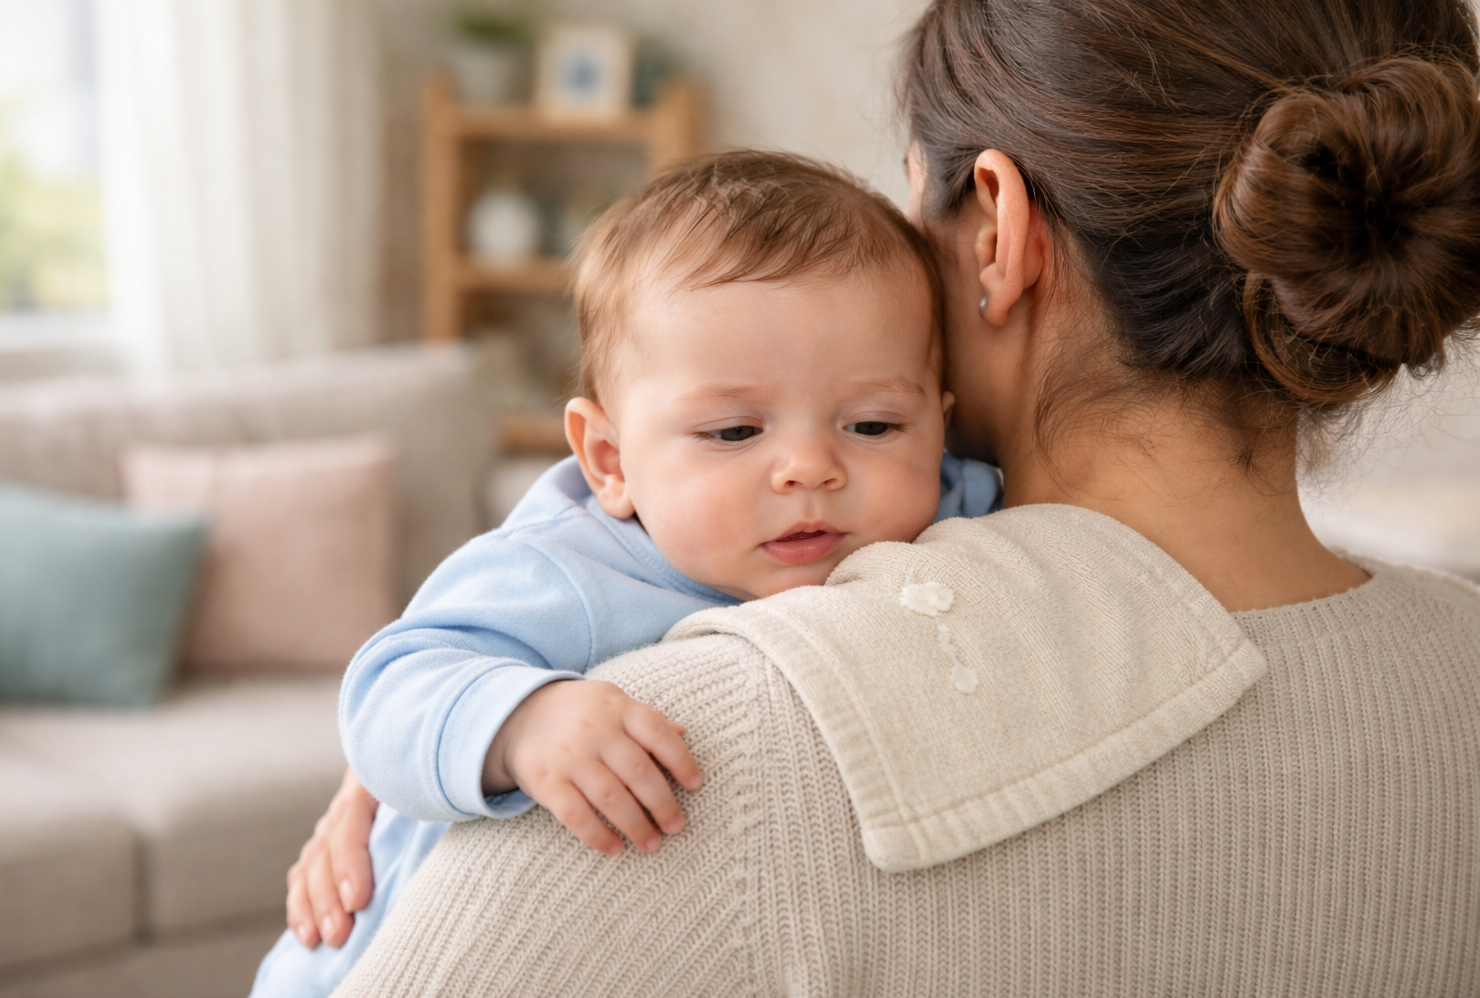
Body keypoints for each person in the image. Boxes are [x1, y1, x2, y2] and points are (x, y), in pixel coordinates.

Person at [299, 0, 1480, 993]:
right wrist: (442, 719)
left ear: (999, 230)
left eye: (915, 198)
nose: (809, 464)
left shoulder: (701, 758)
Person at [250, 152, 1003, 997]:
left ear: (938, 430)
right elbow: (388, 687)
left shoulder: (951, 508)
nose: (809, 467)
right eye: (732, 433)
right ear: (610, 460)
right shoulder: (566, 566)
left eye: (871, 424)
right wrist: (523, 721)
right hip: (367, 955)